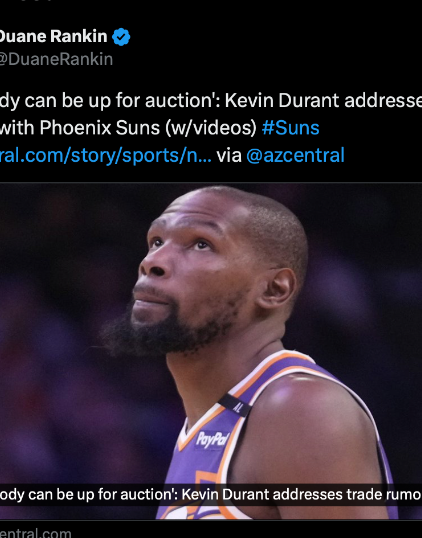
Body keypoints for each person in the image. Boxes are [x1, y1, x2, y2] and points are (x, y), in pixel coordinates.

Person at [101, 186, 396, 519]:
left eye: (201, 244)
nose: (152, 262)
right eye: (156, 242)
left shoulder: (299, 408)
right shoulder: (209, 420)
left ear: (274, 289)